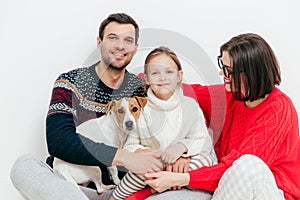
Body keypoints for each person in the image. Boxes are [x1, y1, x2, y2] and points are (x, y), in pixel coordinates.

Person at [10, 13, 164, 200]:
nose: (120, 46)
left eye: (128, 40)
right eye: (112, 38)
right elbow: (59, 141)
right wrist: (123, 157)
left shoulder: (140, 90)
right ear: (99, 42)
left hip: (121, 189)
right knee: (25, 164)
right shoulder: (70, 82)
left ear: (135, 48)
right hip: (68, 187)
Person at [141, 33, 300, 200]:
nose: (221, 73)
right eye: (222, 65)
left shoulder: (278, 109)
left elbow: (237, 169)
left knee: (248, 164)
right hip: (229, 187)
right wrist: (147, 79)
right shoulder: (230, 96)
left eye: (228, 70)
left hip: (271, 192)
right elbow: (188, 91)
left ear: (249, 74)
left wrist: (181, 178)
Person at [111, 46, 217, 200]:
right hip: (154, 165)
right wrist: (144, 153)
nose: (162, 78)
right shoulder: (140, 109)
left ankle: (152, 190)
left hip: (182, 166)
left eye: (169, 72)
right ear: (146, 78)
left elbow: (203, 140)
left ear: (179, 75)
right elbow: (129, 145)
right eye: (155, 73)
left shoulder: (190, 105)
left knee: (205, 161)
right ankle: (115, 197)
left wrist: (182, 148)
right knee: (137, 172)